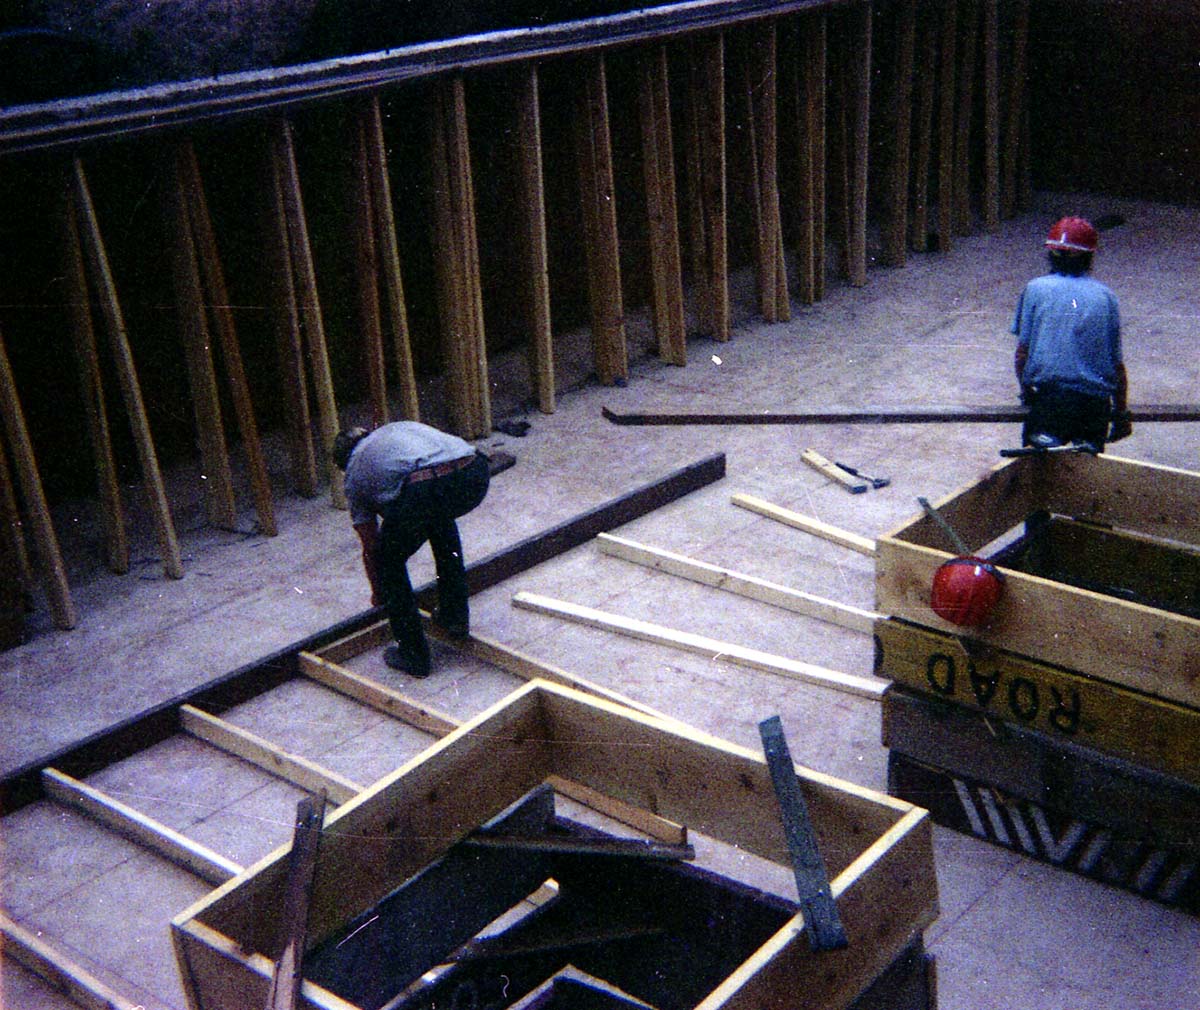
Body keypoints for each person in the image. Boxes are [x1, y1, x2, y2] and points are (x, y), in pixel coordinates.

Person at [332, 421, 490, 677]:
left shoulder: (353, 474)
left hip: (427, 487)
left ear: (342, 463)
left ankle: (413, 655)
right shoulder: (395, 429)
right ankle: (454, 618)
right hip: (475, 471)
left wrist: (380, 592)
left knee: (387, 561)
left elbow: (371, 545)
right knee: (439, 520)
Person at [1012, 215, 1132, 451]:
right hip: (1094, 407)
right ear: (1089, 256)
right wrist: (1120, 413)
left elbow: (1022, 356)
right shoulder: (1106, 297)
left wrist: (1027, 393)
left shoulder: (1035, 289)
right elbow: (1117, 366)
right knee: (1083, 476)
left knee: (1038, 474)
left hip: (1050, 402)